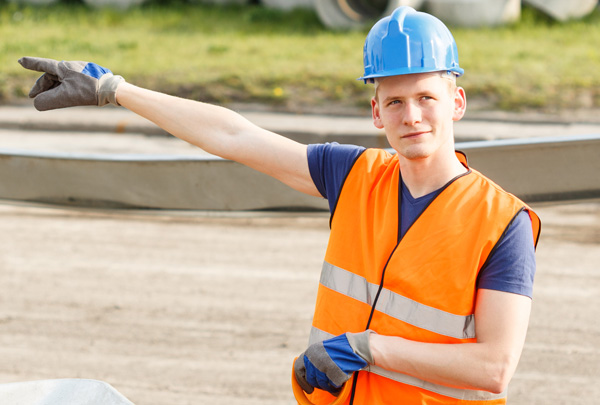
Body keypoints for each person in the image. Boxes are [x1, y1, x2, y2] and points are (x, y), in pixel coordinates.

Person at [19, 6, 540, 405]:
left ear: (457, 102)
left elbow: (494, 367)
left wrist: (367, 348)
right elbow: (232, 133)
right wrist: (116, 89)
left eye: (427, 97)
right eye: (396, 102)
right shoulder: (355, 175)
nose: (413, 116)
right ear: (376, 112)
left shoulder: (502, 223)